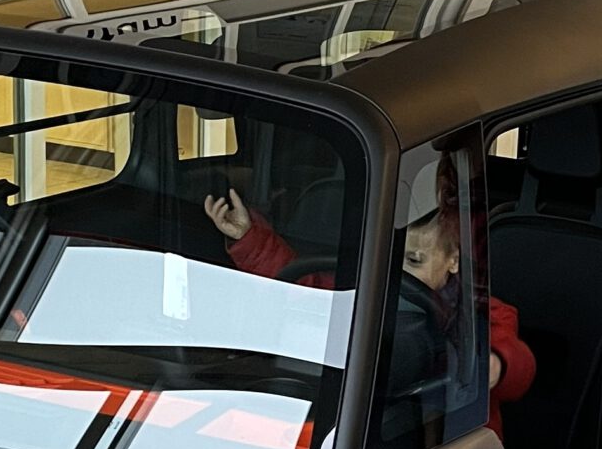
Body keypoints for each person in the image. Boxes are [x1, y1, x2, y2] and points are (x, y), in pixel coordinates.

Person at [206, 185, 535, 434]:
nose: (399, 273)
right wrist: (249, 237)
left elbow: (518, 367)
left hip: (454, 444)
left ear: (452, 261)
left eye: (414, 261)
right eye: (392, 258)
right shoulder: (367, 292)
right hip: (378, 430)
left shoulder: (480, 313)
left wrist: (497, 364)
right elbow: (302, 287)